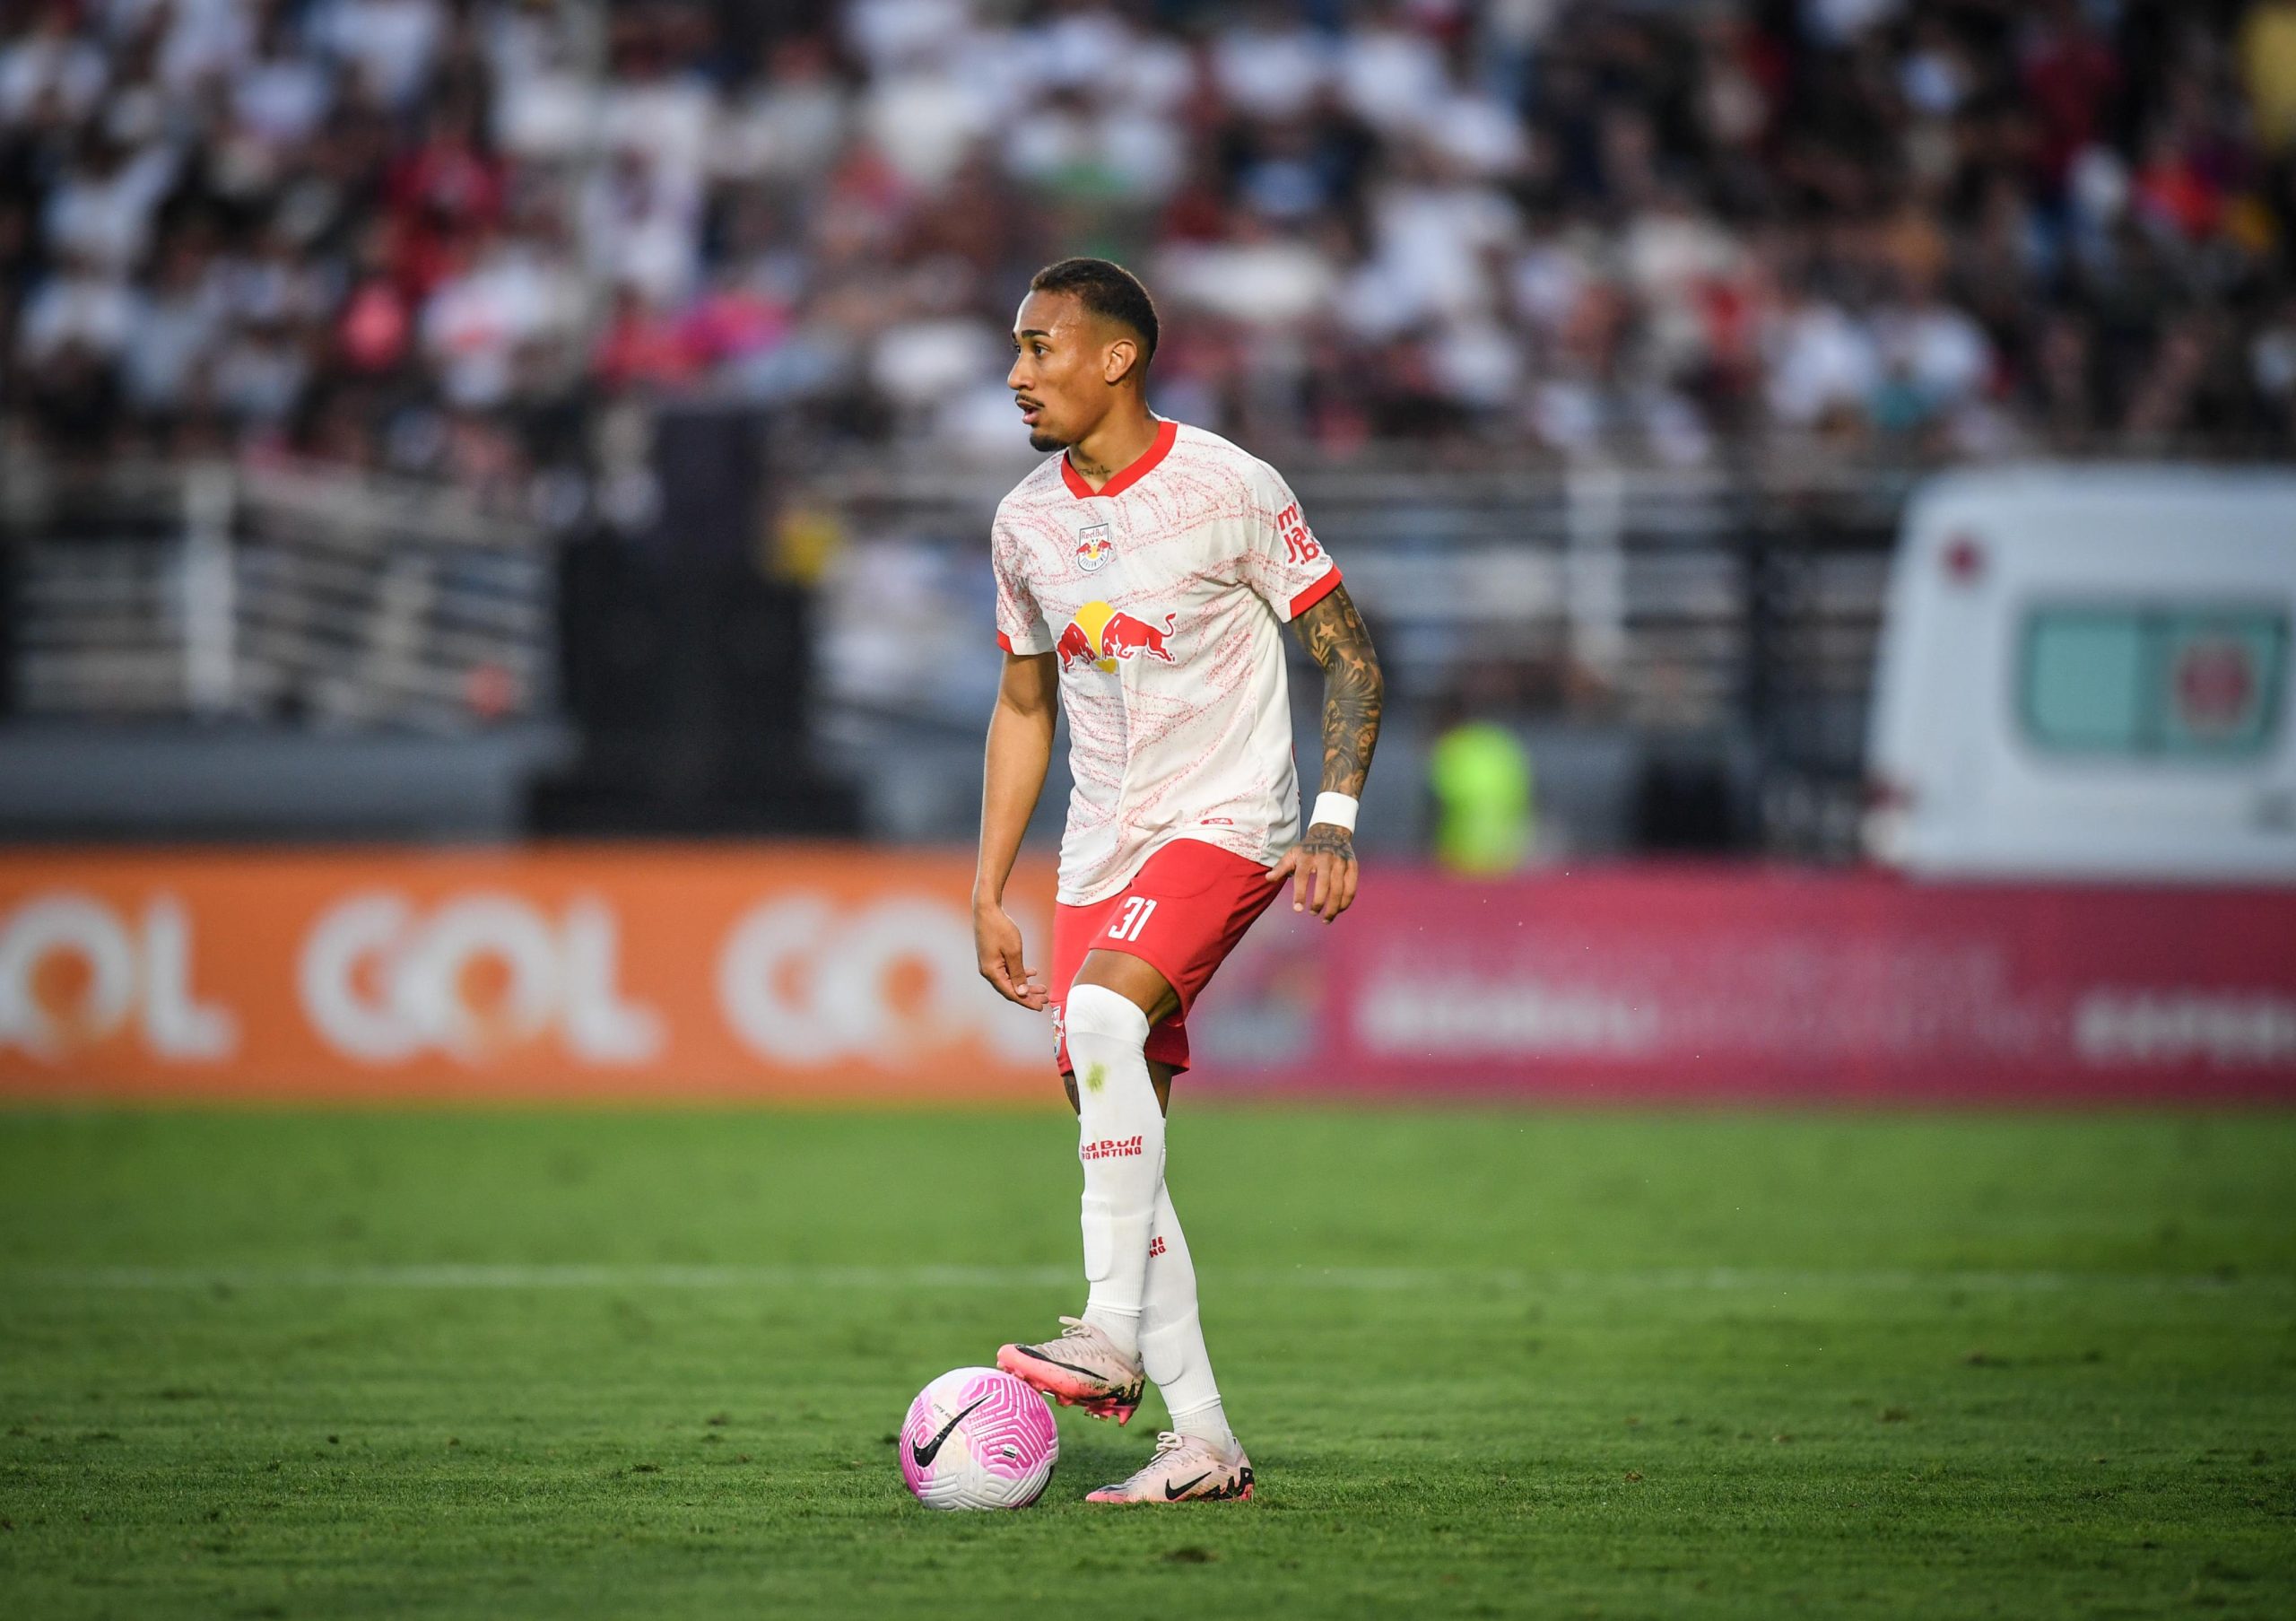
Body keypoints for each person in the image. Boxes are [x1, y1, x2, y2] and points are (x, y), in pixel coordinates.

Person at [970, 257, 1385, 1504]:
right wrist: (989, 886)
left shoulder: (1230, 488)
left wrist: (1334, 817)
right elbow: (1024, 702)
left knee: (1099, 1018)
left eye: (1041, 347)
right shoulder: (1023, 522)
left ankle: (1105, 1337)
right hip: (1102, 845)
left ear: (1115, 358)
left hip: (1229, 819)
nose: (1017, 372)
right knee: (1125, 1138)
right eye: (1015, 348)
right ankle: (1203, 1444)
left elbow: (1351, 655)